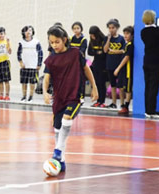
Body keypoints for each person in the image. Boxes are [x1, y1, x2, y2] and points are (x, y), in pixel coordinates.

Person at [43, 25, 98, 172]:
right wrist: (44, 92)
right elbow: (46, 78)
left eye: (57, 42)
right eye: (51, 42)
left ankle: (58, 152)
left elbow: (87, 69)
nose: (54, 45)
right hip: (59, 98)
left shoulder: (75, 53)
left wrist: (94, 87)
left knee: (67, 118)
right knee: (57, 128)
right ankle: (62, 160)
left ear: (65, 40)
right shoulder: (51, 59)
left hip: (74, 95)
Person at [141, 10, 159, 115]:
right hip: (156, 60)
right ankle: (152, 110)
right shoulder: (157, 31)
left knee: (147, 85)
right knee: (154, 85)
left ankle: (148, 109)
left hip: (146, 60)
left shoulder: (143, 31)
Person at [103, 19, 126, 109]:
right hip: (110, 64)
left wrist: (114, 51)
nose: (111, 30)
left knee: (120, 85)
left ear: (117, 28)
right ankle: (113, 102)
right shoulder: (107, 38)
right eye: (109, 28)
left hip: (119, 64)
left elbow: (123, 50)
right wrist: (108, 39)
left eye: (113, 28)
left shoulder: (121, 38)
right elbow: (105, 50)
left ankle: (122, 103)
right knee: (112, 84)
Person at [17, 25, 43, 102]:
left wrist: (39, 64)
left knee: (32, 83)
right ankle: (24, 96)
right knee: (24, 82)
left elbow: (40, 53)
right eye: (27, 30)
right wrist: (21, 62)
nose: (29, 32)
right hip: (24, 66)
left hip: (33, 66)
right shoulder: (21, 42)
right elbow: (18, 53)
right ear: (23, 32)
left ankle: (31, 97)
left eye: (30, 30)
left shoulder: (36, 42)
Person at [114, 26, 134, 115]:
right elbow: (122, 52)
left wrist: (118, 68)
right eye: (124, 33)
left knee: (128, 89)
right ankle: (122, 105)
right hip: (123, 70)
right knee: (121, 87)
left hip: (128, 71)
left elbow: (127, 57)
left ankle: (126, 106)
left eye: (127, 33)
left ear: (132, 35)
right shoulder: (126, 44)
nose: (125, 35)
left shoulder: (131, 45)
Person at [88, 26, 107, 108]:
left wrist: (99, 52)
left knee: (102, 83)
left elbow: (104, 52)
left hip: (103, 64)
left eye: (93, 35)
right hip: (95, 63)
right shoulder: (91, 41)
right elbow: (89, 52)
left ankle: (102, 101)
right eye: (90, 35)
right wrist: (97, 52)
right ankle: (98, 100)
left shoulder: (104, 39)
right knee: (96, 83)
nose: (92, 37)